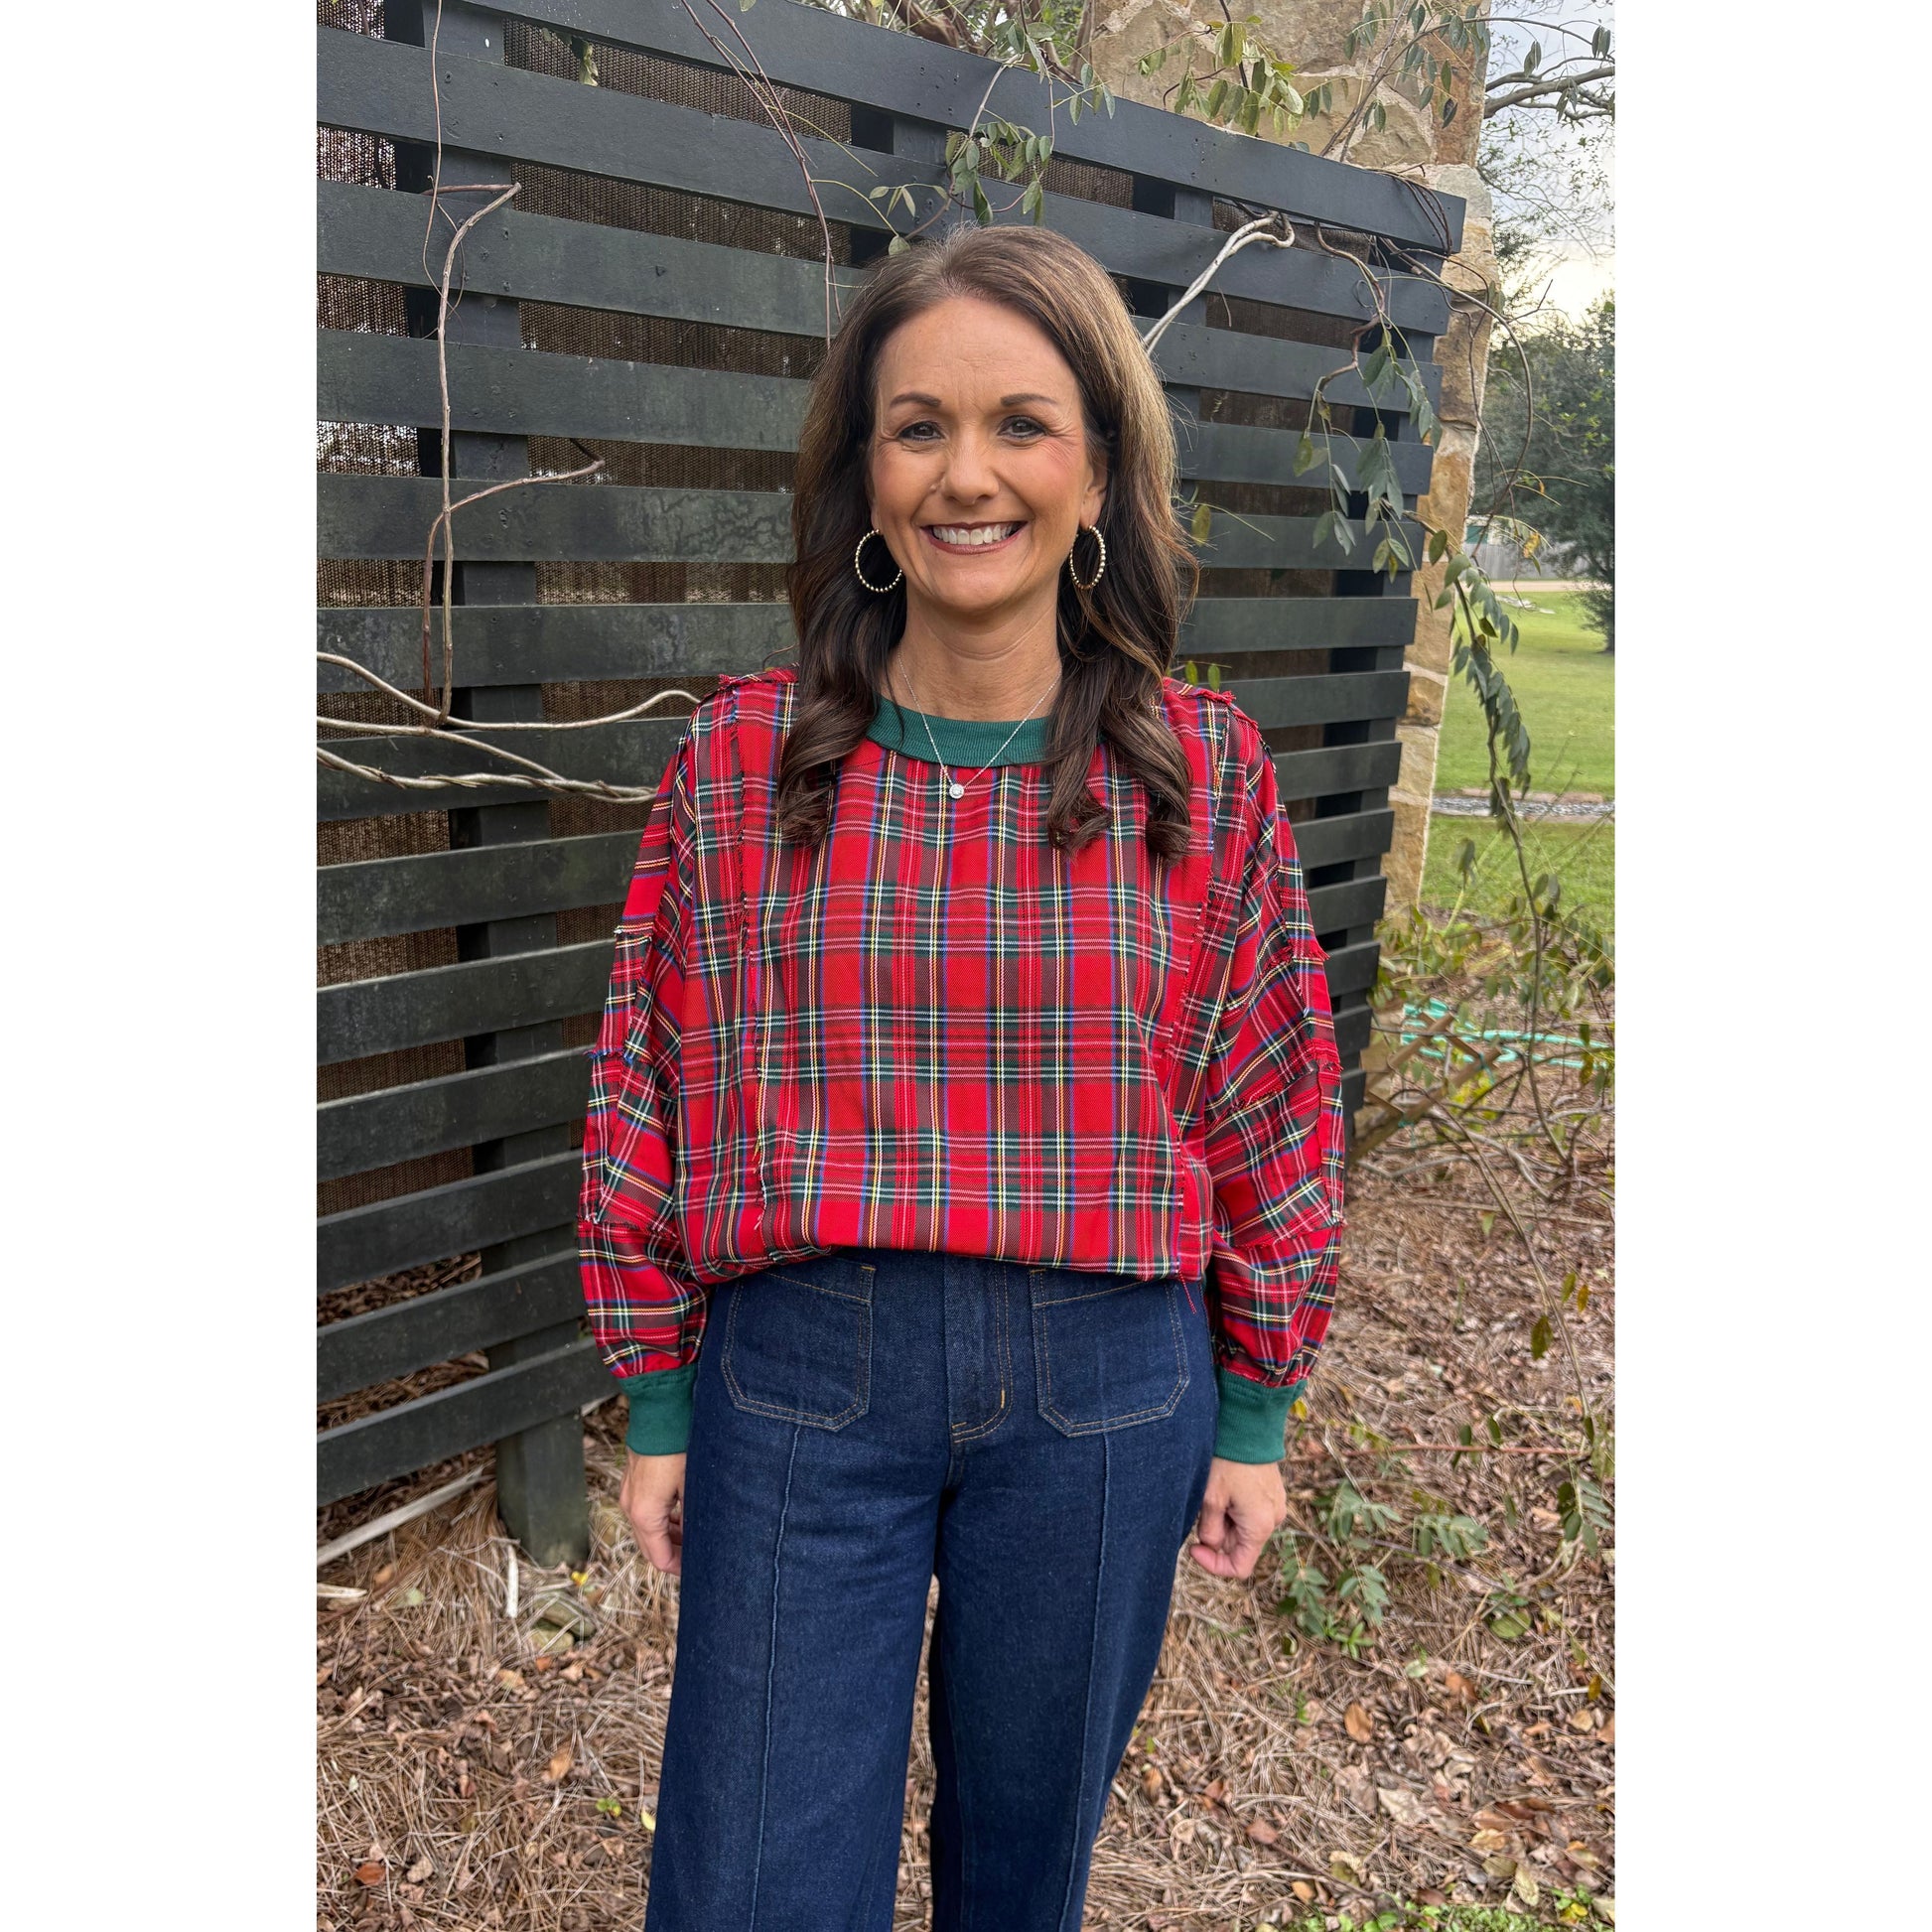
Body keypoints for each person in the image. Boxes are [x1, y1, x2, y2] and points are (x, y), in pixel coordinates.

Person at [577, 222, 1347, 1932]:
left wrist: (1254, 1407)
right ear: (864, 469)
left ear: (1098, 473)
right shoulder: (739, 764)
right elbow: (650, 1078)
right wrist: (655, 1399)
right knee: (755, 1885)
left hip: (1104, 1397)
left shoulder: (1200, 778)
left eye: (1021, 422)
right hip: (800, 1387)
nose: (965, 472)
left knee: (1021, 1881)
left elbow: (1270, 1102)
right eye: (917, 424)